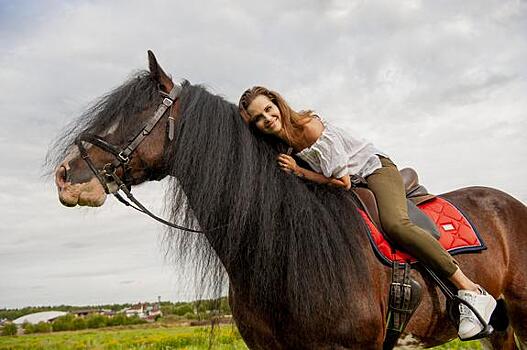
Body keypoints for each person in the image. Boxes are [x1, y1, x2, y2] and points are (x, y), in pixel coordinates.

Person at [238, 86, 496, 340]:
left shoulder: (309, 128)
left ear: (277, 103)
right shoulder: (281, 141)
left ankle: (469, 289)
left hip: (374, 171)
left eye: (268, 110)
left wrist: (299, 171)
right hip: (347, 181)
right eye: (258, 119)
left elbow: (342, 182)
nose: (267, 119)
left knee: (396, 225)